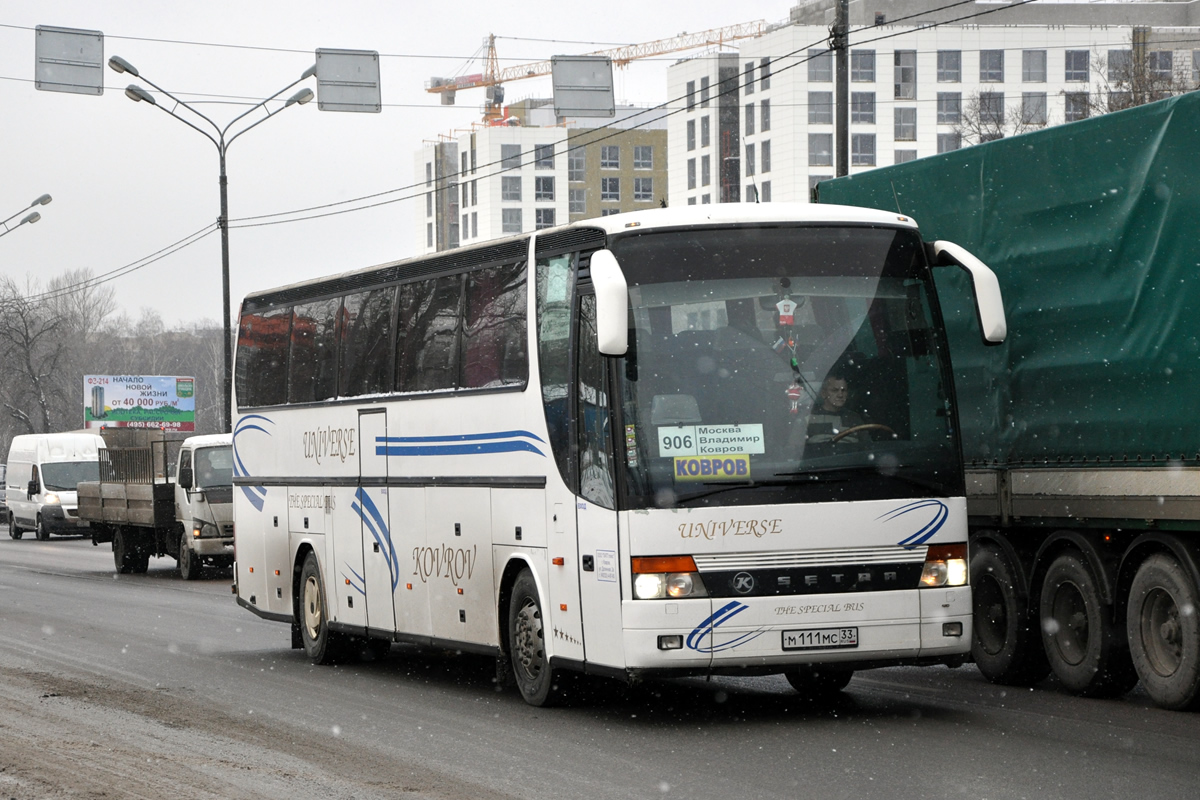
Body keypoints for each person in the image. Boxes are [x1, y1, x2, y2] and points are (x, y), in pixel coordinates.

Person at [804, 374, 868, 444]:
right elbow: (796, 449)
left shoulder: (854, 418)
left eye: (843, 390)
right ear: (823, 393)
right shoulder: (808, 418)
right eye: (834, 390)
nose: (840, 395)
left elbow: (867, 447)